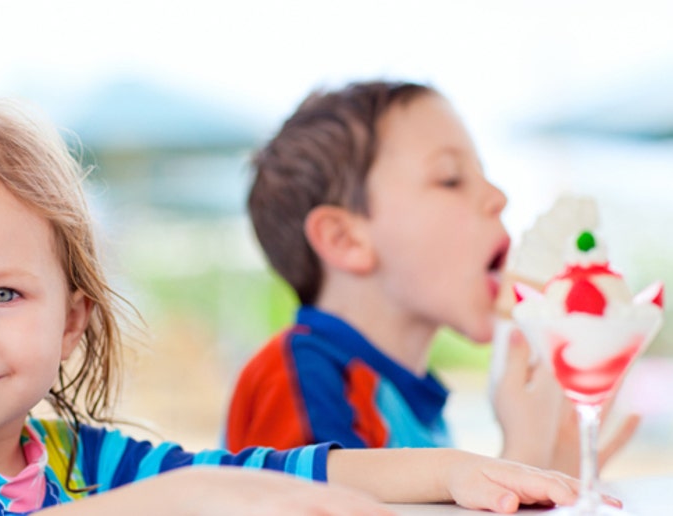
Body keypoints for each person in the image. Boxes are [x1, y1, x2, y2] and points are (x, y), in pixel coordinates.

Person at [0, 98, 595, 515]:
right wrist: (181, 499)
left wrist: (454, 470)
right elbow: (203, 488)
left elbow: (268, 472)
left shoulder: (87, 464)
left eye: (3, 293)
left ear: (72, 320)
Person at [224, 80, 637, 474]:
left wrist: (550, 470)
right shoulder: (299, 378)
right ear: (345, 239)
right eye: (451, 179)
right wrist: (520, 461)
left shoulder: (409, 400)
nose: (499, 196)